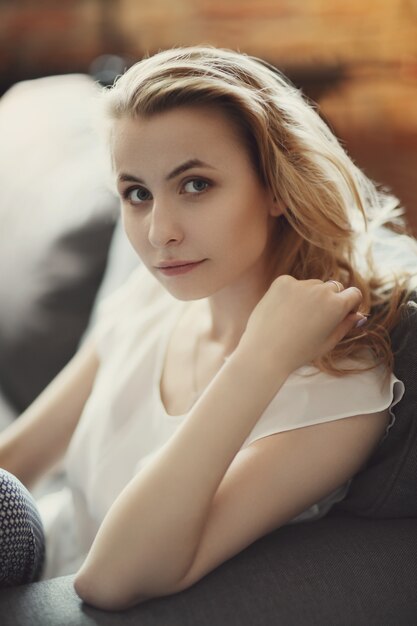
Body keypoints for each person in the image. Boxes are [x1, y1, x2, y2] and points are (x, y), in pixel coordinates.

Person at [0, 45, 415, 607]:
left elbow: (112, 579)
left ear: (273, 185)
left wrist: (259, 360)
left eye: (195, 185)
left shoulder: (341, 384)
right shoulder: (152, 295)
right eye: (137, 194)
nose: (158, 233)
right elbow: (19, 457)